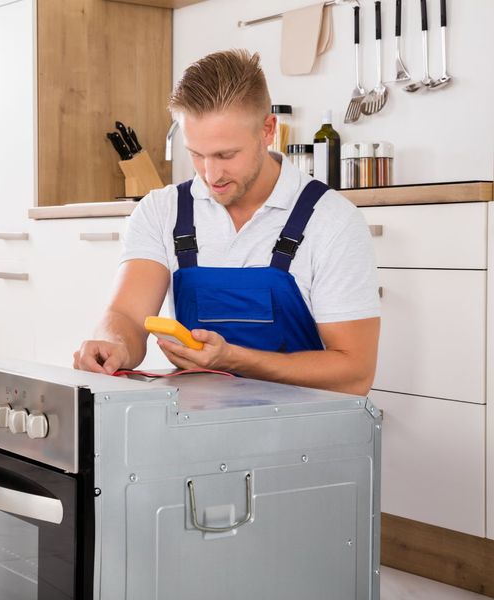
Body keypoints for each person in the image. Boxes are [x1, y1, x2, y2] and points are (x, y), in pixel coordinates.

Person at [73, 49, 380, 396]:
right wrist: (113, 345)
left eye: (226, 155)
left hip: (302, 435)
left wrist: (233, 359)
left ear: (267, 130)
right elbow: (127, 316)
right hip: (196, 427)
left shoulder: (332, 220)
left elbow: (354, 374)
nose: (210, 174)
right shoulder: (163, 210)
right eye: (197, 154)